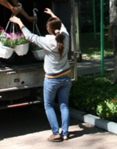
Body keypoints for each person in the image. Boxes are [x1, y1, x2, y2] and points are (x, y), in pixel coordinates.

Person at [10, 8, 71, 142]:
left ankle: (55, 133)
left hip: (51, 80)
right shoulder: (66, 37)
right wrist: (52, 15)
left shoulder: (46, 41)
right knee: (64, 106)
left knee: (48, 105)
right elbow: (60, 25)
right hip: (66, 78)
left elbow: (29, 36)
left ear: (48, 30)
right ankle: (65, 133)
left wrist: (19, 22)